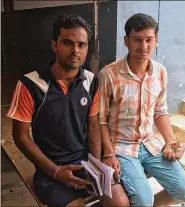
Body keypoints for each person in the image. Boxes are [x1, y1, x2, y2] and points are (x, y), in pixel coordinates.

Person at [7, 14, 128, 207]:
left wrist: (96, 166)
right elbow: (20, 136)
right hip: (49, 171)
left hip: (84, 163)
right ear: (54, 45)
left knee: (120, 202)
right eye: (67, 43)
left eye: (82, 45)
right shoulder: (30, 84)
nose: (75, 51)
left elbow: (94, 126)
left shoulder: (91, 81)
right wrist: (55, 171)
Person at [98, 13, 185, 207]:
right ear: (126, 41)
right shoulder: (108, 74)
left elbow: (160, 111)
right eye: (137, 40)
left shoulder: (160, 72)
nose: (143, 47)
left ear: (156, 41)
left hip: (150, 143)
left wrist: (170, 141)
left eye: (149, 40)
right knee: (143, 200)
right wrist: (108, 154)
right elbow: (100, 120)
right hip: (121, 147)